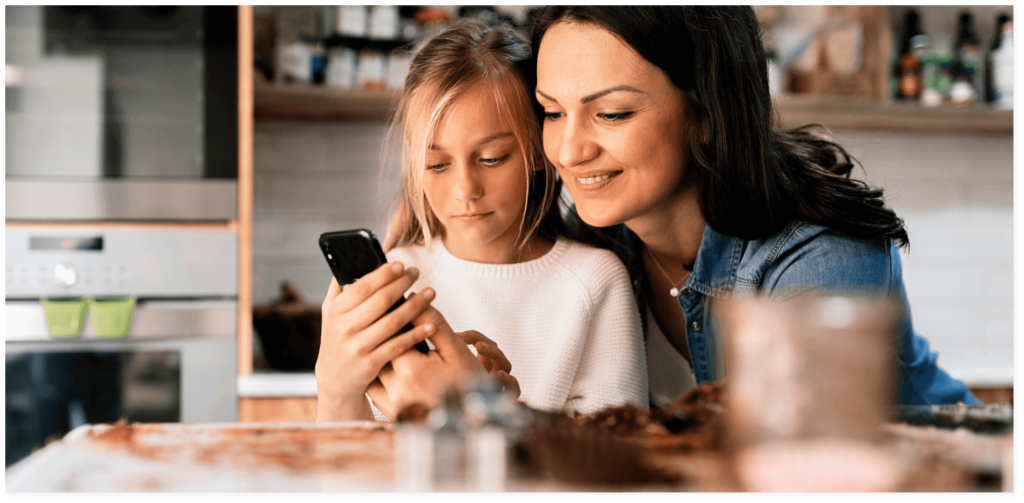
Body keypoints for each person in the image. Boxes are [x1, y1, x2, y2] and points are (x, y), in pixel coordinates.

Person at [529, 5, 978, 405]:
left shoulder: (824, 256)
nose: (568, 152)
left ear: (707, 111)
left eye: (611, 114)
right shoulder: (595, 246)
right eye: (552, 112)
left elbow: (799, 452)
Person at [316, 19, 648, 422]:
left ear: (538, 150)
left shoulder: (594, 281)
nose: (465, 190)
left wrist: (491, 413)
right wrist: (334, 389)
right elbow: (351, 455)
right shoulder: (393, 282)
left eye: (492, 158)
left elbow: (617, 453)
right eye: (436, 164)